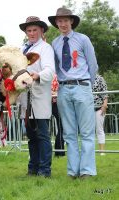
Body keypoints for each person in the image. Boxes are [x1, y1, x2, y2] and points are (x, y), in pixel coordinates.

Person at [48, 7, 98, 179]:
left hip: (82, 86)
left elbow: (93, 65)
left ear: (71, 21)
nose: (63, 23)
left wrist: (85, 85)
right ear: (56, 23)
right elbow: (54, 67)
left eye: (65, 20)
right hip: (63, 89)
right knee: (69, 133)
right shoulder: (54, 44)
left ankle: (87, 171)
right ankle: (72, 171)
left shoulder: (83, 39)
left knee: (86, 132)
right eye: (59, 21)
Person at [19, 16, 55, 177]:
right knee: (31, 136)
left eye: (35, 30)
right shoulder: (22, 50)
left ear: (41, 31)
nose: (32, 33)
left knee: (42, 134)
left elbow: (50, 70)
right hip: (25, 98)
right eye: (29, 30)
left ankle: (44, 170)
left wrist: (36, 75)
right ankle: (32, 168)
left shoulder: (45, 48)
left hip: (39, 95)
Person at [92, 74, 108, 156]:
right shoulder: (84, 77)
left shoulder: (100, 78)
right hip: (87, 108)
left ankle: (102, 151)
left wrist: (104, 105)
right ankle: (90, 151)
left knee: (99, 130)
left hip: (99, 108)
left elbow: (105, 92)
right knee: (88, 131)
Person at [51, 74, 65, 157]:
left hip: (56, 104)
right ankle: (59, 151)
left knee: (61, 128)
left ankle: (59, 151)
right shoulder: (56, 77)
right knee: (61, 127)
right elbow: (52, 90)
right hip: (56, 104)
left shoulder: (55, 76)